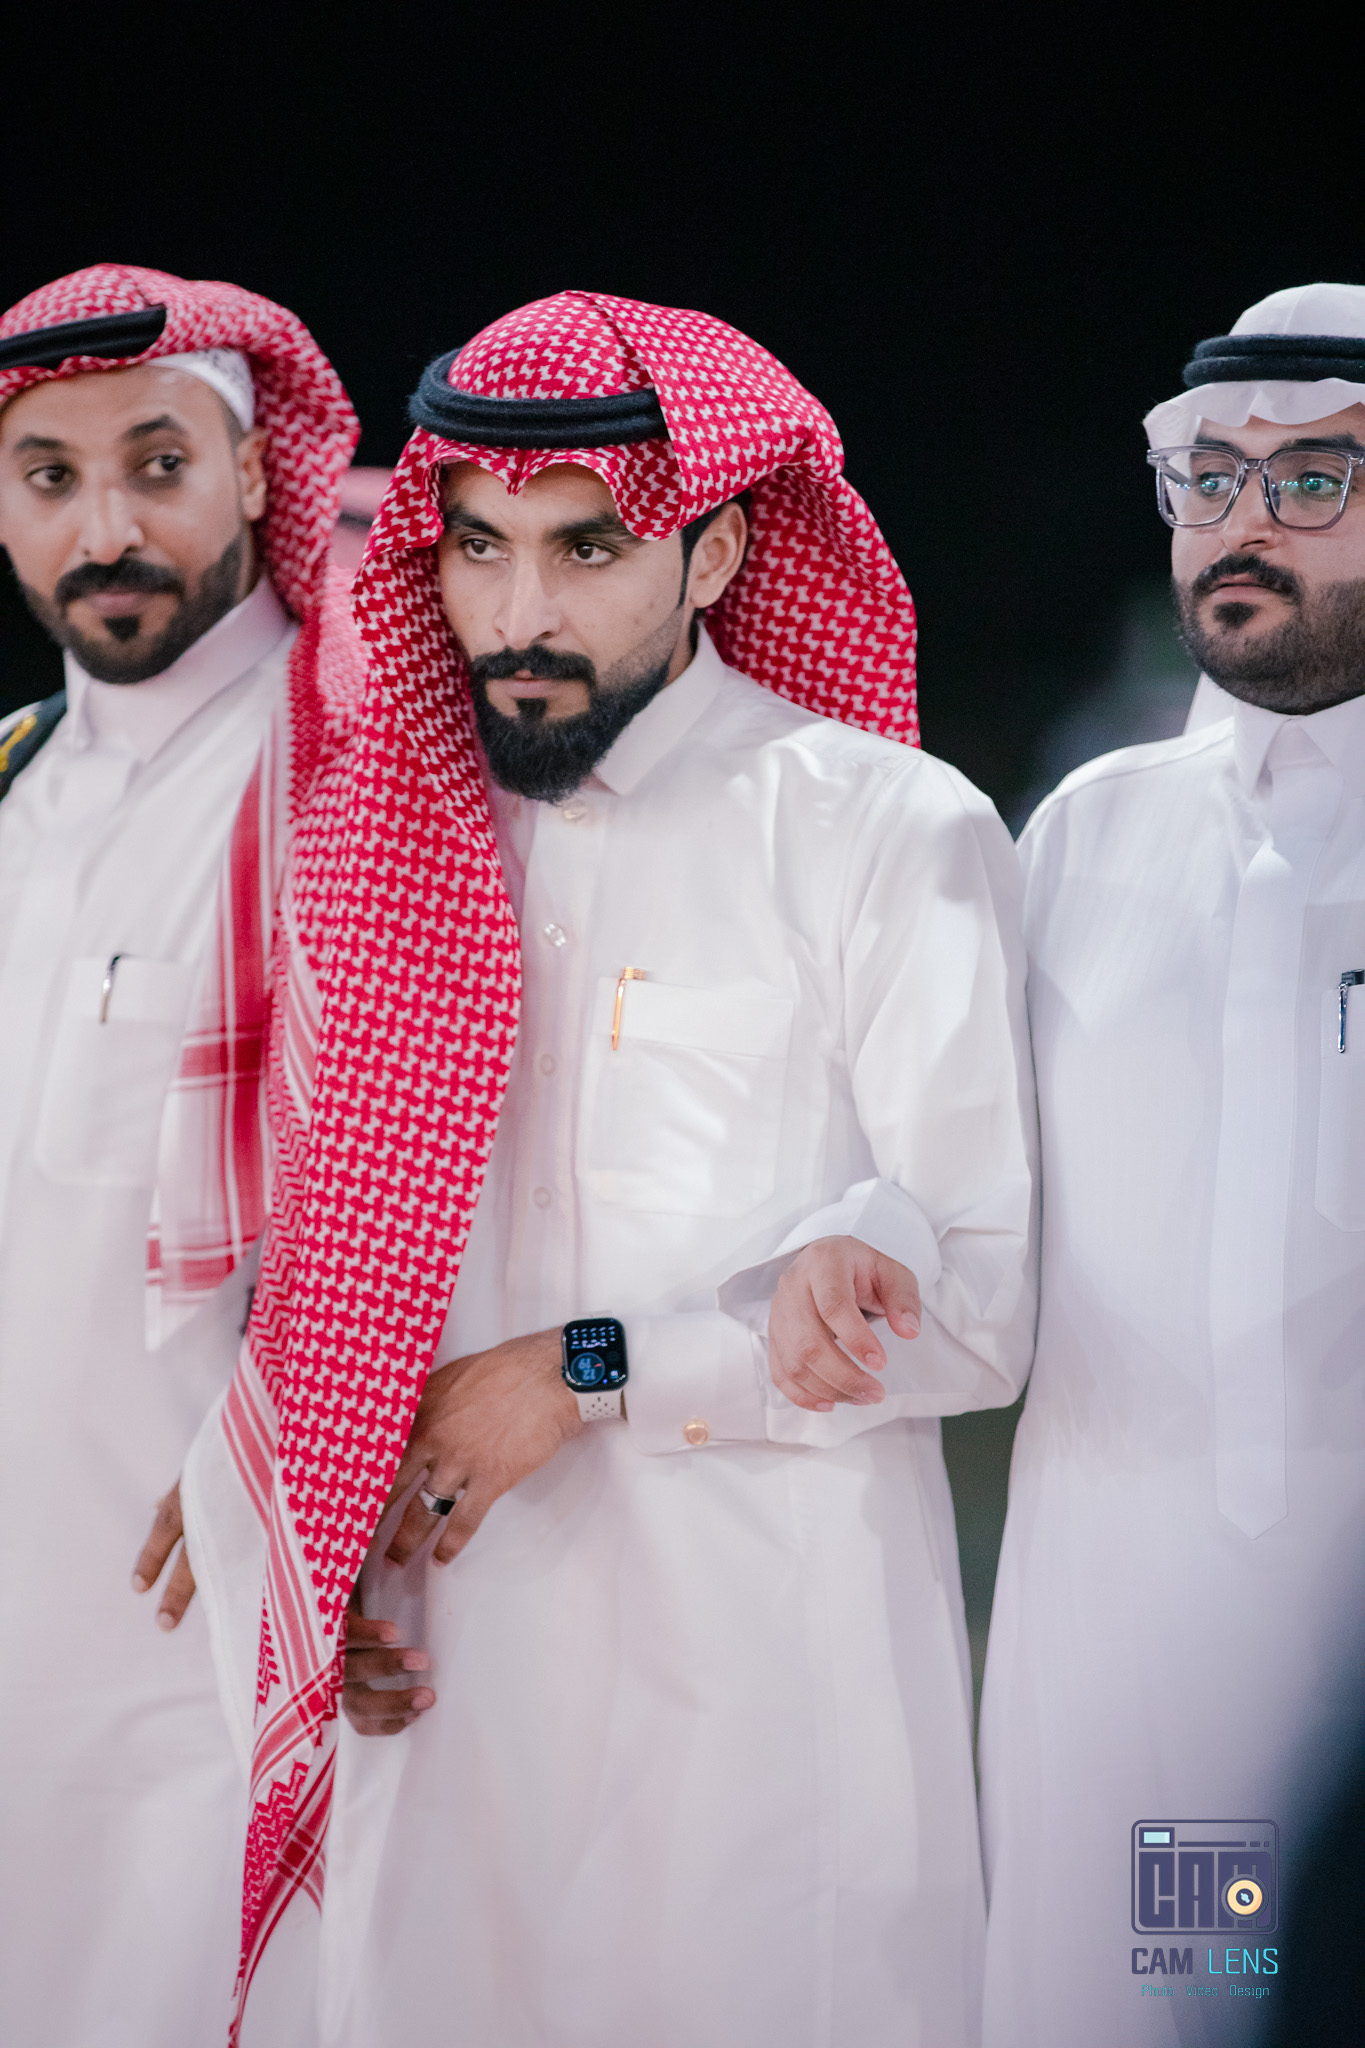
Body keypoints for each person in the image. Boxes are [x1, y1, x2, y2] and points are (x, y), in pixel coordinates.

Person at [184, 290, 1037, 2046]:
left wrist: (584, 1373)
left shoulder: (880, 826)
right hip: (450, 1689)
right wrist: (306, 1550)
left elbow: (976, 1307)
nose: (517, 615)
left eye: (584, 551)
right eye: (477, 550)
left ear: (713, 553)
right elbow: (316, 1281)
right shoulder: (385, 841)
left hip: (758, 1717)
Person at [976, 283, 1365, 2045]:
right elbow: (964, 1202)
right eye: (1209, 480)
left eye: (1309, 481)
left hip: (1338, 1640)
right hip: (1120, 1639)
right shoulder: (1089, 832)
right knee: (1156, 2004)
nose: (1241, 525)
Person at [0, 264, 361, 2048]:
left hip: (216, 1617)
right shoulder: (8, 783)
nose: (108, 529)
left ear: (257, 470)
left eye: (159, 464)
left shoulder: (354, 775)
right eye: (50, 477)